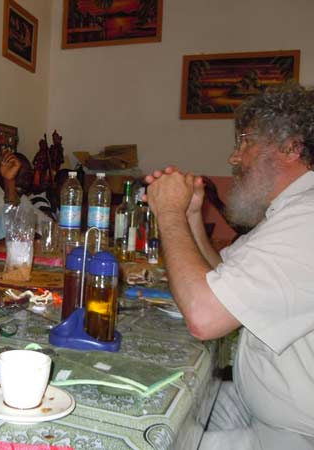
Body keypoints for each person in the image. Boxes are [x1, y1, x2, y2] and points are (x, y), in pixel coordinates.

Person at [144, 82, 314, 450]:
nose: (234, 158)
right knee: (152, 399)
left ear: (291, 147)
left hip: (294, 434)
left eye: (245, 141)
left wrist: (169, 213)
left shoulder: (307, 218)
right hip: (260, 405)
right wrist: (191, 216)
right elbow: (222, 274)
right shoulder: (291, 211)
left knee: (147, 436)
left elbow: (205, 317)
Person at [0, 152, 55, 231]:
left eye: (27, 176)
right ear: (1, 173)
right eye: (16, 174)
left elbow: (46, 222)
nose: (23, 181)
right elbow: (14, 228)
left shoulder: (21, 197)